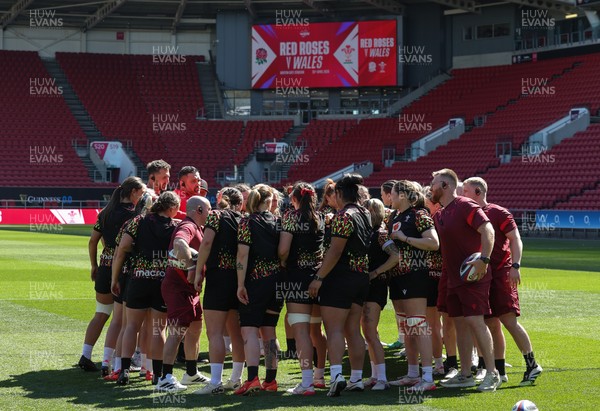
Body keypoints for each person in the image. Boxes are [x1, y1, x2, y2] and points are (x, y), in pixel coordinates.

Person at [462, 177, 542, 386]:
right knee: (490, 324)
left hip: (501, 274)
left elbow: (515, 238)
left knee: (509, 321)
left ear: (478, 192)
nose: (462, 195)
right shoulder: (467, 214)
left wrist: (515, 266)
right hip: (482, 277)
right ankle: (499, 370)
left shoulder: (498, 212)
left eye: (466, 191)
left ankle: (532, 364)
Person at [430, 169, 501, 392]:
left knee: (476, 322)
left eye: (433, 184)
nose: (430, 188)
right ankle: (465, 374)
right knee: (460, 325)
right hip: (453, 278)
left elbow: (487, 229)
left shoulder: (464, 205)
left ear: (445, 186)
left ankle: (492, 373)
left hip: (473, 276)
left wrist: (484, 259)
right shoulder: (440, 214)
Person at [308, 173, 371, 397]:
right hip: (361, 276)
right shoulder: (365, 213)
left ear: (341, 194)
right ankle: (356, 378)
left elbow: (335, 251)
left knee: (334, 329)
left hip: (340, 277)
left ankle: (336, 376)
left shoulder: (344, 216)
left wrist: (319, 277)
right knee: (353, 329)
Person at [110, 191, 180, 385]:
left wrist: (115, 278)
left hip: (138, 279)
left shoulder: (138, 221)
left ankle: (123, 370)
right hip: (161, 282)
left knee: (131, 326)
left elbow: (122, 248)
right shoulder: (175, 227)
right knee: (159, 329)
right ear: (172, 208)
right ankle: (157, 374)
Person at [79, 177, 146, 373]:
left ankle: (86, 355)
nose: (141, 197)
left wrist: (93, 265)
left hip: (104, 267)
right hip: (124, 270)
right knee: (123, 321)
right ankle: (115, 363)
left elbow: (92, 241)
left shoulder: (105, 213)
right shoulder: (134, 215)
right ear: (133, 192)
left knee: (101, 314)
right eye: (141, 193)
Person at [192, 188, 246, 394]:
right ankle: (236, 378)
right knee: (236, 333)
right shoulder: (245, 219)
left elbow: (206, 242)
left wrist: (199, 272)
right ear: (240, 204)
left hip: (218, 278)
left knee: (214, 332)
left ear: (221, 200)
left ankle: (215, 382)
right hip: (239, 279)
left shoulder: (216, 216)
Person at [387, 181, 440, 392]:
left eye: (392, 193)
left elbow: (433, 243)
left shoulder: (419, 215)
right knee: (407, 328)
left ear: (402, 195)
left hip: (415, 274)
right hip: (397, 276)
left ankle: (427, 378)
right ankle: (411, 374)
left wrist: (405, 238)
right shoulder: (394, 217)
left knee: (418, 325)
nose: (390, 197)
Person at [155, 196, 212, 393]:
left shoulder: (198, 227)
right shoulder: (187, 226)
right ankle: (165, 377)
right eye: (208, 210)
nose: (210, 214)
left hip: (189, 289)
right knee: (176, 333)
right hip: (178, 287)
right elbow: (179, 244)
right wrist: (190, 267)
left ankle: (191, 372)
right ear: (198, 209)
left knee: (195, 328)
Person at [234, 184, 283, 395]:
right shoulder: (280, 222)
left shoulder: (247, 222)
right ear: (270, 200)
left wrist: (240, 284)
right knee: (269, 332)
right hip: (278, 281)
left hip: (256, 281)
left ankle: (252, 378)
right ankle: (270, 380)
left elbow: (242, 255)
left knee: (249, 329)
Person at [278, 182, 325, 395]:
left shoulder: (291, 218)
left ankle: (306, 383)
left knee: (301, 332)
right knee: (318, 331)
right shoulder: (321, 217)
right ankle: (320, 376)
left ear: (294, 199)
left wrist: (283, 262)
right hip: (317, 277)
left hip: (297, 278)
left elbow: (284, 249)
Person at [362, 198, 400, 390]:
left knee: (370, 331)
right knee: (369, 332)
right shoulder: (368, 233)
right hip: (365, 286)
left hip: (376, 286)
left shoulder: (381, 234)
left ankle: (382, 378)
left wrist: (376, 272)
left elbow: (396, 256)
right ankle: (375, 375)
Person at [422, 186, 447, 379]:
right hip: (434, 276)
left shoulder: (435, 220)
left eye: (426, 202)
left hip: (438, 276)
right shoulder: (432, 219)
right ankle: (438, 361)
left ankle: (439, 362)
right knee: (435, 324)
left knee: (437, 323)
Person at [380, 179, 405, 351]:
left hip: (405, 269)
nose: (382, 198)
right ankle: (403, 339)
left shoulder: (397, 215)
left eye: (383, 194)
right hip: (396, 270)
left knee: (410, 311)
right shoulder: (393, 215)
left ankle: (406, 340)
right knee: (400, 308)